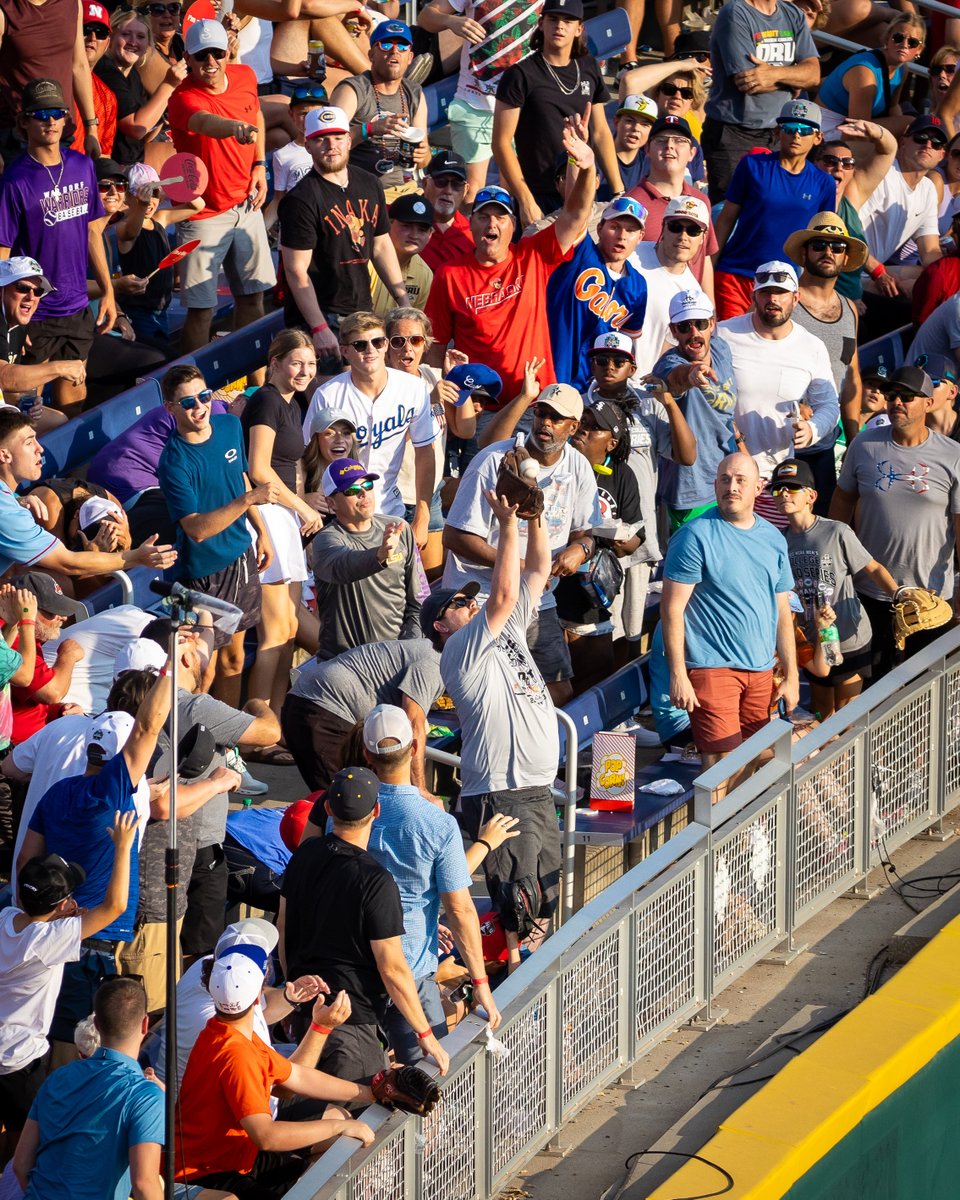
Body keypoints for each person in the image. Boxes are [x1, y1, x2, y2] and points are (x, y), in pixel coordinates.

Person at [425, 477, 558, 970]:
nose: (470, 603)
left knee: (543, 902)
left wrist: (535, 520)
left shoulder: (501, 631)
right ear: (441, 624)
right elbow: (502, 596)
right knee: (518, 911)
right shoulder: (458, 651)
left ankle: (540, 992)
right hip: (502, 790)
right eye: (459, 603)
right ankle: (518, 997)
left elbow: (538, 571)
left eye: (468, 599)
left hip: (536, 786)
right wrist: (506, 525)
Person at [18, 665, 172, 1058]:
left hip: (50, 932)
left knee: (50, 1035)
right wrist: (170, 669)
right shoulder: (111, 792)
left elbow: (25, 861)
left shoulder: (57, 792)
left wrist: (45, 914)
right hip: (93, 941)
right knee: (78, 1046)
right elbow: (147, 728)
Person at [279, 766, 451, 1081]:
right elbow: (394, 969)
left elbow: (283, 928)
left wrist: (293, 998)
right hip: (351, 1026)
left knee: (316, 1114)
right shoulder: (375, 880)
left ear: (328, 808)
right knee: (356, 1120)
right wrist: (425, 1035)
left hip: (308, 1013)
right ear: (376, 811)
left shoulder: (303, 856)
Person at [443, 382, 602, 704]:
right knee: (480, 693)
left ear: (573, 427)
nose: (545, 423)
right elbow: (455, 536)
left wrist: (580, 549)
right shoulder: (494, 460)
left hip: (537, 602)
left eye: (556, 418)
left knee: (558, 691)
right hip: (480, 597)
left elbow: (586, 532)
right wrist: (519, 567)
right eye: (541, 413)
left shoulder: (578, 466)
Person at [425, 113, 597, 408]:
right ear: (472, 223)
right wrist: (440, 402)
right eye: (483, 216)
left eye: (500, 216)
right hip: (479, 410)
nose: (492, 224)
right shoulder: (450, 274)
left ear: (513, 224)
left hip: (535, 403)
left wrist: (586, 166)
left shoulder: (533, 255)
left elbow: (577, 213)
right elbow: (436, 345)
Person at [173, 947, 376, 1196]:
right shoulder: (237, 1053)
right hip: (207, 1172)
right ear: (259, 995)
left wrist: (371, 1092)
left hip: (231, 1157)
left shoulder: (225, 1030)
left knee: (335, 1144)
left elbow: (298, 1076)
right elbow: (266, 1136)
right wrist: (338, 1127)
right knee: (337, 1137)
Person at [362, 704, 501, 1060]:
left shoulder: (346, 813)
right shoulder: (437, 823)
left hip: (356, 965)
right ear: (414, 750)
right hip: (410, 968)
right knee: (429, 1076)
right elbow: (460, 909)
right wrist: (481, 984)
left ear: (367, 755)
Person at [0, 812, 138, 1152]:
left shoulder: (6, 918)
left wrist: (60, 915)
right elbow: (115, 906)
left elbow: (29, 915)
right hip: (20, 1060)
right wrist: (123, 847)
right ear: (62, 905)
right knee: (23, 1143)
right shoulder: (47, 941)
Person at [662, 453, 798, 771]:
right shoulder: (694, 536)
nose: (731, 487)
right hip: (712, 667)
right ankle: (719, 823)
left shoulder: (773, 538)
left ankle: (749, 823)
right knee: (722, 763)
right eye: (724, 479)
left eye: (740, 480)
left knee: (761, 759)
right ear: (715, 485)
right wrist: (678, 674)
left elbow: (782, 611)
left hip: (761, 669)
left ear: (758, 488)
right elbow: (672, 609)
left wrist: (791, 676)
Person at [830, 365, 960, 678]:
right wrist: (834, 560)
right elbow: (843, 500)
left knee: (925, 688)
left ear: (929, 403)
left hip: (929, 598)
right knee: (871, 686)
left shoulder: (953, 454)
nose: (896, 401)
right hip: (870, 590)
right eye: (891, 395)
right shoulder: (864, 444)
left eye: (907, 396)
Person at [157, 363, 275, 706]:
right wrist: (250, 499)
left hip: (241, 556)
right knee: (200, 669)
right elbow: (195, 529)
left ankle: (225, 740)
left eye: (205, 396)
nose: (200, 407)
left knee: (234, 659)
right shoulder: (174, 461)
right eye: (189, 402)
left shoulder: (228, 425)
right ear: (170, 408)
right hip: (203, 575)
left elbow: (238, 478)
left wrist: (260, 530)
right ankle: (192, 740)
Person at [0, 79, 116, 420]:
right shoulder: (15, 181)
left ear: (67, 120)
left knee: (73, 401)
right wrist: (10, 321)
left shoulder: (82, 165)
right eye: (40, 115)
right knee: (23, 412)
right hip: (35, 314)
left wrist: (108, 292)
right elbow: (3, 255)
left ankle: (60, 473)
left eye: (57, 113)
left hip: (78, 308)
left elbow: (94, 233)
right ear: (25, 123)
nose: (50, 121)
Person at [167, 19, 275, 353]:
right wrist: (233, 128)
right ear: (188, 57)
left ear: (228, 51)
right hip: (203, 213)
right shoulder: (182, 98)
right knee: (201, 311)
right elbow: (205, 123)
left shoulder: (245, 76)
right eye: (202, 56)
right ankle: (191, 388)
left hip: (245, 203)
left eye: (217, 53)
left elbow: (255, 112)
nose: (211, 62)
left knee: (253, 296)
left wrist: (259, 164)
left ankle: (254, 382)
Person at [278, 104, 409, 378]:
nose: (331, 145)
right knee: (331, 403)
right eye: (321, 139)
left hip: (361, 308)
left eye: (338, 137)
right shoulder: (300, 199)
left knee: (367, 389)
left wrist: (403, 300)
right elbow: (296, 270)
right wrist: (318, 329)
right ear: (308, 145)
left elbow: (381, 244)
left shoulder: (370, 183)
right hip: (322, 314)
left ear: (349, 141)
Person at [11, 978, 164, 1200]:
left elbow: (20, 1164)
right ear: (145, 1024)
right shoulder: (145, 1095)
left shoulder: (57, 1078)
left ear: (98, 1025)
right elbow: (144, 1185)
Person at [772, 458, 897, 719]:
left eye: (793, 488)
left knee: (847, 719)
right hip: (813, 641)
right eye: (778, 489)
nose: (784, 493)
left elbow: (872, 568)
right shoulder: (777, 541)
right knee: (822, 716)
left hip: (850, 637)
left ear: (811, 496)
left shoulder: (836, 531)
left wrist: (899, 594)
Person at [301, 310, 438, 546]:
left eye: (377, 342)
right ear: (345, 351)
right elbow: (305, 453)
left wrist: (422, 517)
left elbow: (425, 452)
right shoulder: (328, 395)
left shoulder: (413, 388)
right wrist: (303, 498)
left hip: (390, 510)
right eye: (360, 345)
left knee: (396, 578)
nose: (371, 350)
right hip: (340, 515)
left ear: (386, 345)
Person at [718, 260, 839, 525]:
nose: (773, 299)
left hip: (778, 481)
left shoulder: (812, 346)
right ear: (754, 296)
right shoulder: (723, 333)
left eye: (781, 293)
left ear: (795, 298)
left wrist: (813, 429)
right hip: (726, 476)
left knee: (772, 553)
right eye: (765, 292)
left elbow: (829, 404)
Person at [241, 329, 321, 725]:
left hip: (285, 514)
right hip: (269, 513)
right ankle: (257, 727)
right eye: (296, 363)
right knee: (273, 633)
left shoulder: (293, 402)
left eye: (310, 364)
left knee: (289, 628)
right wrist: (301, 507)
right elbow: (257, 469)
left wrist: (297, 508)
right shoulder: (267, 401)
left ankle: (276, 723)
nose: (304, 371)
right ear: (275, 364)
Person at [0, 410, 176, 581]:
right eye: (29, 442)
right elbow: (67, 563)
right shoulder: (9, 513)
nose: (40, 448)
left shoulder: (9, 503)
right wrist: (136, 557)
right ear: (4, 455)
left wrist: (15, 500)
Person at [493, 0, 620, 228]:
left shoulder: (589, 66)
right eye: (553, 19)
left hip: (584, 193)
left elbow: (600, 132)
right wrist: (525, 199)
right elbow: (501, 143)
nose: (560, 26)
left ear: (579, 28)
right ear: (541, 24)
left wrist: (618, 190)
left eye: (568, 21)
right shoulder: (520, 74)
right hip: (539, 194)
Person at [712, 99, 835, 320]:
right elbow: (726, 219)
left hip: (784, 284)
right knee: (729, 344)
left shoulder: (824, 183)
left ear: (818, 137)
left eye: (805, 130)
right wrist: (709, 265)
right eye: (789, 128)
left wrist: (813, 287)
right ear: (778, 132)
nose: (796, 135)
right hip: (736, 274)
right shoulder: (752, 165)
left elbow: (820, 240)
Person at [555, 400, 644, 690]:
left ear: (611, 443)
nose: (584, 431)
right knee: (553, 690)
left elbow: (635, 538)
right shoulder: (555, 462)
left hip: (590, 601)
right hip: (548, 594)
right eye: (583, 423)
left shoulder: (622, 475)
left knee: (592, 689)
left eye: (595, 428)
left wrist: (617, 540)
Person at [417, 0, 541, 206]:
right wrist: (451, 22)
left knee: (516, 192)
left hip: (522, 106)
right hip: (475, 102)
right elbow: (425, 16)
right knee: (468, 194)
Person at [282, 637, 442, 794]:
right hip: (321, 709)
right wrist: (420, 792)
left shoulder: (437, 652)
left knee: (365, 797)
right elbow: (413, 726)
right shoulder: (435, 664)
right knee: (345, 805)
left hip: (318, 704)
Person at [700, 0, 820, 203]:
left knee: (775, 207)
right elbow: (748, 81)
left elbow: (814, 75)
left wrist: (773, 74)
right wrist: (793, 80)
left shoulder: (793, 14)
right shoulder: (735, 12)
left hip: (780, 132)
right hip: (734, 134)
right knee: (730, 213)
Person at [783, 213, 866, 501]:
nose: (828, 252)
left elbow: (851, 376)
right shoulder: (783, 302)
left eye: (837, 246)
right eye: (819, 244)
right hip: (781, 442)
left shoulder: (850, 309)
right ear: (804, 253)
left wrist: (854, 438)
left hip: (827, 445)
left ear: (845, 258)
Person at [311, 457, 423, 660]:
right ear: (331, 502)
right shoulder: (325, 541)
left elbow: (417, 600)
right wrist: (380, 554)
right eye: (352, 490)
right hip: (346, 663)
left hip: (397, 655)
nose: (364, 493)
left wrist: (410, 649)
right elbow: (345, 566)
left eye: (368, 485)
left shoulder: (398, 528)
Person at [654, 290, 739, 530]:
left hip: (726, 479)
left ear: (712, 324)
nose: (694, 333)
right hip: (692, 488)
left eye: (700, 324)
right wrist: (691, 374)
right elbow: (675, 378)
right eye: (684, 326)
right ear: (673, 331)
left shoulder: (722, 348)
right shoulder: (669, 364)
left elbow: (726, 416)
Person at [545, 194, 647, 392]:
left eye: (631, 230)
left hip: (589, 386)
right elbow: (574, 209)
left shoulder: (639, 286)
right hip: (549, 370)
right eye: (615, 226)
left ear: (640, 237)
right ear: (600, 228)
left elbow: (625, 342)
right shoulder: (580, 252)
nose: (622, 235)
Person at [330, 20, 431, 198]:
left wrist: (423, 155)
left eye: (402, 46)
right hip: (359, 191)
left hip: (405, 190)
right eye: (385, 45)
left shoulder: (414, 93)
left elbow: (425, 157)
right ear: (371, 54)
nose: (394, 51)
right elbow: (329, 142)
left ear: (410, 57)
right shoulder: (352, 89)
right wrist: (370, 129)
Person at [0, 0, 100, 166]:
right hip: (16, 137)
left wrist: (91, 128)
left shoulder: (73, 4)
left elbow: (80, 66)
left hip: (61, 133)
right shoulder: (6, 8)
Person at [859, 115, 946, 300]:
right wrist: (879, 273)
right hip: (849, 269)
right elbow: (848, 232)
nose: (928, 145)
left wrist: (950, 270)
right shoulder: (884, 173)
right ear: (903, 142)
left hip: (876, 270)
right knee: (917, 292)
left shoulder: (928, 189)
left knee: (936, 278)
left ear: (941, 155)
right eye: (921, 138)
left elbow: (930, 251)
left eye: (936, 143)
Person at [626, 113, 718, 286]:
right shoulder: (632, 203)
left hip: (692, 309)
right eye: (661, 140)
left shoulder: (701, 200)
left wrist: (710, 309)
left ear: (692, 153)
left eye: (679, 141)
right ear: (647, 150)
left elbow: (704, 259)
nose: (669, 146)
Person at [94, 9, 186, 166]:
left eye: (141, 36)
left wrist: (159, 117)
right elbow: (136, 128)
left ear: (148, 43)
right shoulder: (106, 70)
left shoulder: (133, 75)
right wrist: (169, 84)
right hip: (110, 174)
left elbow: (145, 135)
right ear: (111, 36)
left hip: (134, 166)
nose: (133, 42)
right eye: (126, 34)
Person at [631, 192, 710, 375]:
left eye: (693, 231)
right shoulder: (632, 255)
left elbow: (672, 349)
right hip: (601, 376)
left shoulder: (692, 293)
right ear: (663, 228)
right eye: (675, 227)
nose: (683, 236)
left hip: (644, 388)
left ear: (703, 238)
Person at [815, 13, 926, 137]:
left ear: (919, 49)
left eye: (912, 42)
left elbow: (892, 107)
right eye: (898, 37)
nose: (904, 44)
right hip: (825, 128)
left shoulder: (902, 70)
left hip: (854, 125)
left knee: (911, 129)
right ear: (887, 38)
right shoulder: (864, 72)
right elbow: (858, 130)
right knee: (908, 123)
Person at [0, 258, 81, 428]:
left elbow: (9, 391)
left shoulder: (18, 323)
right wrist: (59, 368)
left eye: (38, 292)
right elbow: (3, 378)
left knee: (59, 422)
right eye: (22, 288)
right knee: (21, 435)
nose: (31, 297)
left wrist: (21, 401)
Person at [8, 572, 85, 746]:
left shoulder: (30, 637)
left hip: (37, 739)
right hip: (16, 753)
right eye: (52, 612)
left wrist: (60, 711)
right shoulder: (13, 640)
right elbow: (51, 692)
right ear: (25, 608)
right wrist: (68, 655)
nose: (63, 617)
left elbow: (33, 699)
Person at [263, 81, 326, 234]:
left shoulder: (336, 148)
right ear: (291, 115)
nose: (309, 119)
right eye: (303, 114)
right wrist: (260, 233)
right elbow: (279, 200)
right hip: (296, 232)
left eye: (314, 113)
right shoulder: (282, 155)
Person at [369, 191, 434, 314]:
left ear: (430, 234)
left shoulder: (424, 274)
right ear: (388, 224)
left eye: (422, 230)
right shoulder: (367, 261)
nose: (414, 235)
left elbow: (415, 324)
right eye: (406, 226)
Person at [418, 150, 474, 271]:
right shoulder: (400, 217)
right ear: (425, 183)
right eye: (441, 182)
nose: (448, 191)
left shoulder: (473, 234)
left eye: (456, 185)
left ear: (465, 190)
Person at [598, 93, 658, 200]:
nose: (636, 128)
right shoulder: (597, 159)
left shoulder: (651, 165)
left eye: (645, 124)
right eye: (630, 121)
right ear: (616, 122)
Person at [919, 352, 960, 441]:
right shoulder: (909, 432)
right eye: (917, 384)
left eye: (932, 382)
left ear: (952, 392)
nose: (921, 389)